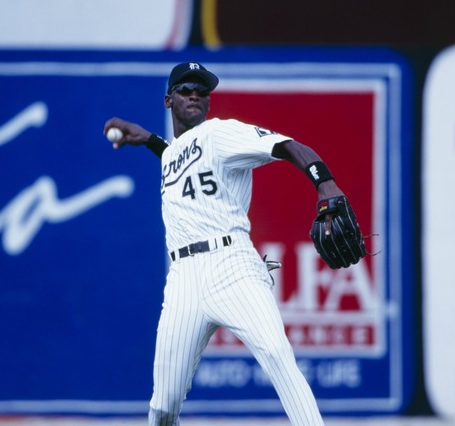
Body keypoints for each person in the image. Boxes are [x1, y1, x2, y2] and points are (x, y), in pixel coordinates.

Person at [104, 62, 350, 425]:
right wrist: (152, 141)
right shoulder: (172, 154)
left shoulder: (220, 134)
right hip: (184, 278)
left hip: (231, 265)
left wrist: (324, 182)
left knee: (277, 354)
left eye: (202, 91)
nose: (195, 95)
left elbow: (287, 145)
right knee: (163, 403)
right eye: (187, 88)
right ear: (168, 99)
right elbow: (182, 158)